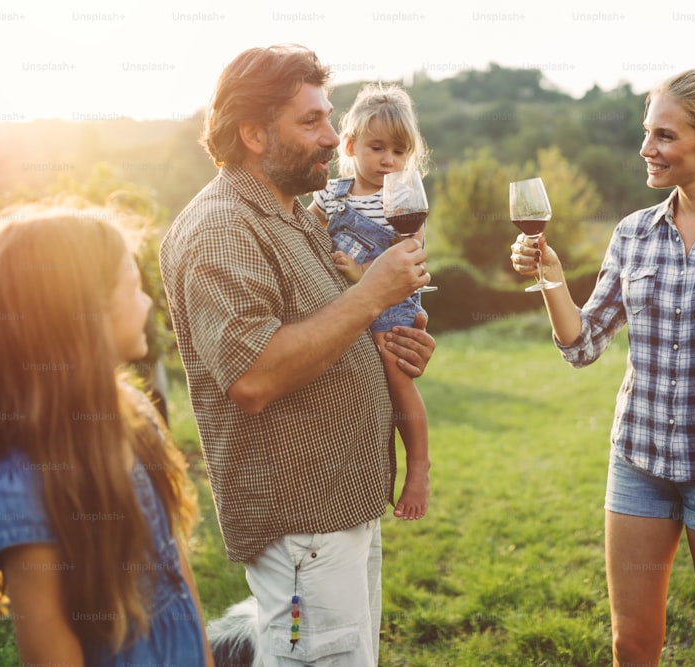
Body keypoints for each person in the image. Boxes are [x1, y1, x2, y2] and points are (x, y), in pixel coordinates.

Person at [509, 68, 695, 665]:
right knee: (631, 639)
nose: (646, 149)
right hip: (638, 462)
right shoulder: (633, 234)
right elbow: (582, 345)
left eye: (665, 136)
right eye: (646, 133)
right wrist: (550, 275)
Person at [159, 44, 435, 667]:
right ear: (253, 133)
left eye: (327, 117)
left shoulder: (295, 216)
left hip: (343, 503)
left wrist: (392, 338)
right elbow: (253, 376)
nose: (332, 137)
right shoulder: (222, 229)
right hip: (300, 519)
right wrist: (370, 295)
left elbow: (331, 327)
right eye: (310, 122)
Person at [0, 202, 213, 666]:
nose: (149, 301)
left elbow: (178, 578)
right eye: (133, 288)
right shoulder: (20, 486)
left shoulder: (132, 416)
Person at [308, 82, 431, 521]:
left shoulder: (402, 200)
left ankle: (418, 466)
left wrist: (365, 278)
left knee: (398, 379)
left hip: (393, 301)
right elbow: (302, 241)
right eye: (377, 148)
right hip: (341, 303)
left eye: (399, 151)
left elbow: (410, 257)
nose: (388, 160)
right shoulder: (328, 196)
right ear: (349, 144)